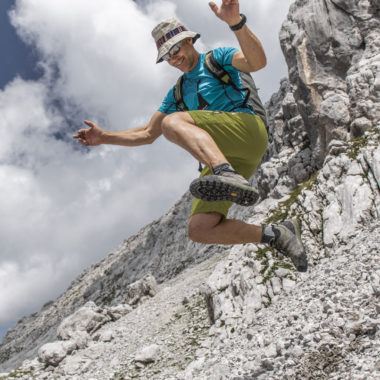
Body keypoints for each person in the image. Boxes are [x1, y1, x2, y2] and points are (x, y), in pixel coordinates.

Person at [73, 0, 307, 272]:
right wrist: (105, 137)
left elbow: (257, 62)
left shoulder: (216, 59)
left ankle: (223, 172)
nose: (174, 58)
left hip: (248, 130)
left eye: (176, 49)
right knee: (201, 229)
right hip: (229, 157)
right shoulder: (178, 93)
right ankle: (278, 234)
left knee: (172, 123)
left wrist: (236, 23)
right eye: (167, 56)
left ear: (189, 41)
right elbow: (148, 134)